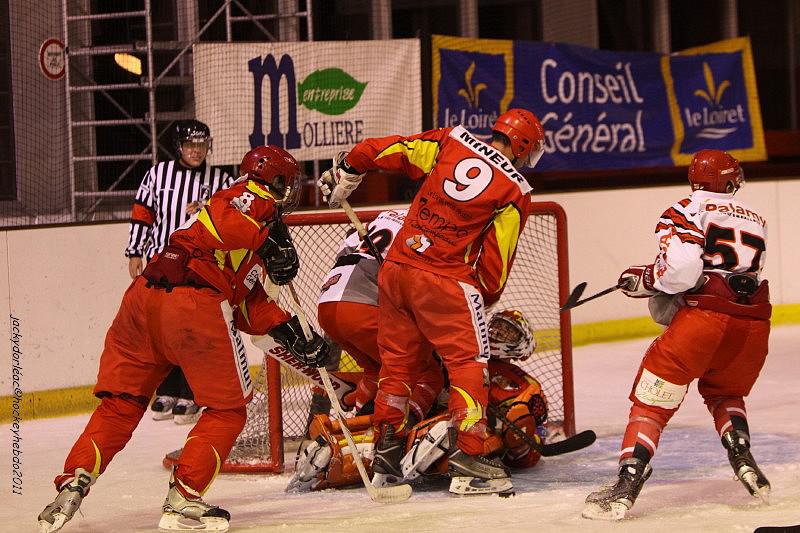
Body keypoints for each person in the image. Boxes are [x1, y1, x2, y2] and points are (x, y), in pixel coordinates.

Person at [38, 146, 330, 533]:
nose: (291, 192)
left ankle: (73, 481)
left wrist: (290, 331)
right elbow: (221, 221)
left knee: (121, 405)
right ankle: (184, 499)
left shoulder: (252, 217)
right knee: (228, 411)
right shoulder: (250, 196)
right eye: (289, 183)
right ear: (276, 181)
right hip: (192, 305)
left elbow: (245, 299)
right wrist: (266, 242)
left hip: (143, 301)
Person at [318, 108, 545, 495]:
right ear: (523, 146)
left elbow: (390, 149)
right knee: (469, 363)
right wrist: (480, 300)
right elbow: (495, 266)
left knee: (396, 365)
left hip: (396, 270)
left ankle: (387, 455)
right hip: (444, 278)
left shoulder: (452, 139)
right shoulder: (515, 190)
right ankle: (469, 459)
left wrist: (350, 168)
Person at [582, 149, 771, 521]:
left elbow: (684, 272)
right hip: (753, 325)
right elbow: (730, 273)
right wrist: (655, 276)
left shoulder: (685, 210)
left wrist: (648, 277)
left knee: (651, 404)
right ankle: (743, 457)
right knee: (725, 393)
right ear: (729, 180)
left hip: (704, 322)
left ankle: (626, 484)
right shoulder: (756, 217)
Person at [287, 309, 548, 493]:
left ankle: (344, 454)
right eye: (496, 327)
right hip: (425, 414)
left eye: (508, 332)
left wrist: (515, 431)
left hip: (460, 431)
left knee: (448, 432)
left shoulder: (520, 382)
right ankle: (338, 441)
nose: (498, 334)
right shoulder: (462, 352)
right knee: (393, 422)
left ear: (523, 343)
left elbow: (525, 443)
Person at [125, 119, 235, 424]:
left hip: (199, 266)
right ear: (178, 147)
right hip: (161, 261)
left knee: (193, 330)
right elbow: (143, 213)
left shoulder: (222, 180)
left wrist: (209, 207)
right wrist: (134, 251)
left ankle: (192, 391)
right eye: (190, 145)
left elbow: (234, 215)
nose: (196, 150)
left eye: (202, 144)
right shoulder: (157, 174)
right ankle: (168, 388)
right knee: (163, 329)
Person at [317, 207, 444, 421]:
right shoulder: (432, 228)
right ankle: (398, 432)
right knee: (427, 375)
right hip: (363, 305)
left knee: (376, 370)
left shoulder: (385, 215)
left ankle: (358, 418)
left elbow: (346, 249)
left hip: (327, 302)